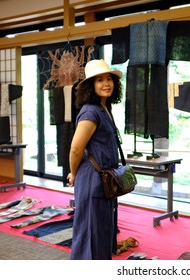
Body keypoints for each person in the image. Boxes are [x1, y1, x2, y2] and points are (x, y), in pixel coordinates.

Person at [66, 59, 123, 260]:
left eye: (109, 79)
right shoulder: (91, 111)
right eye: (99, 80)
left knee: (101, 230)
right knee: (91, 232)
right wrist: (74, 174)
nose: (106, 83)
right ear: (91, 86)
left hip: (103, 180)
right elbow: (75, 149)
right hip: (93, 180)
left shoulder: (103, 108)